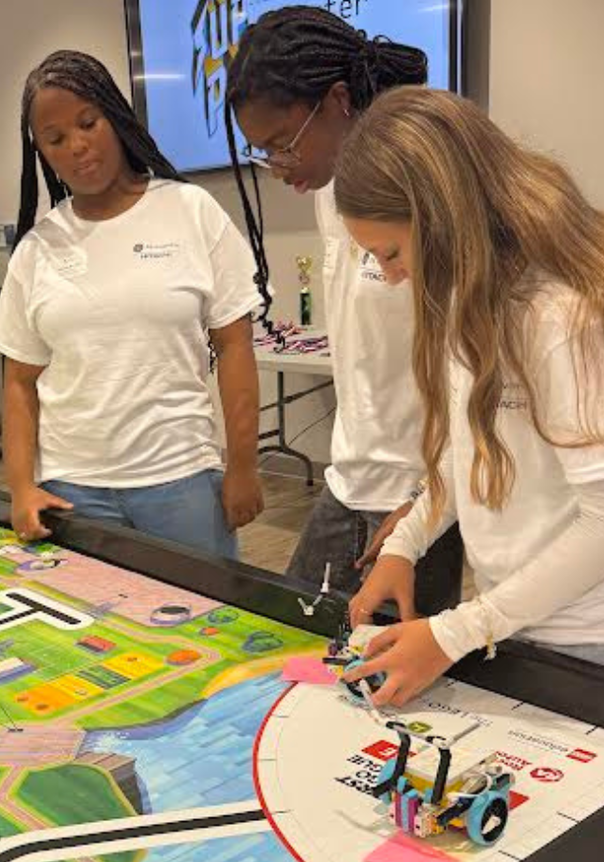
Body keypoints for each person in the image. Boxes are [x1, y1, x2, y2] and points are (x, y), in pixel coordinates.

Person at [333, 87, 604, 706]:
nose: (393, 276)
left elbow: (602, 520)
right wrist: (403, 546)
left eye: (393, 254)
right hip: (516, 620)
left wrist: (459, 628)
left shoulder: (557, 313)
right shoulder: (470, 295)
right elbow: (471, 450)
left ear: (440, 214)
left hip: (585, 640)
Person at [226, 5, 463, 610]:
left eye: (282, 145)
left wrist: (426, 503)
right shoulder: (332, 192)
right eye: (264, 153)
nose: (279, 167)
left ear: (337, 103)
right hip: (348, 480)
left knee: (392, 673)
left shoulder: (429, 196)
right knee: (294, 636)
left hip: (425, 495)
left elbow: (473, 373)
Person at [0, 50, 264, 559]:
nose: (77, 145)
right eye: (55, 139)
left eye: (88, 123)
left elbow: (234, 345)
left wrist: (244, 467)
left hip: (181, 479)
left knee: (207, 627)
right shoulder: (37, 249)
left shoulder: (190, 210)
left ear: (115, 117)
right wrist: (21, 488)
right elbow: (19, 382)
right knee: (94, 631)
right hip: (71, 490)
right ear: (41, 153)